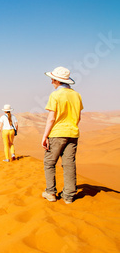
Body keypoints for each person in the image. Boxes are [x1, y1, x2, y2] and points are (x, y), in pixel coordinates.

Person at [41, 67, 83, 204]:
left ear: (57, 81)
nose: (51, 82)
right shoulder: (76, 95)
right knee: (69, 164)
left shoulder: (55, 95)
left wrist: (45, 136)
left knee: (49, 162)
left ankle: (50, 192)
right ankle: (69, 196)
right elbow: (78, 117)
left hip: (57, 133)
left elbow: (51, 118)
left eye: (52, 79)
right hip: (73, 133)